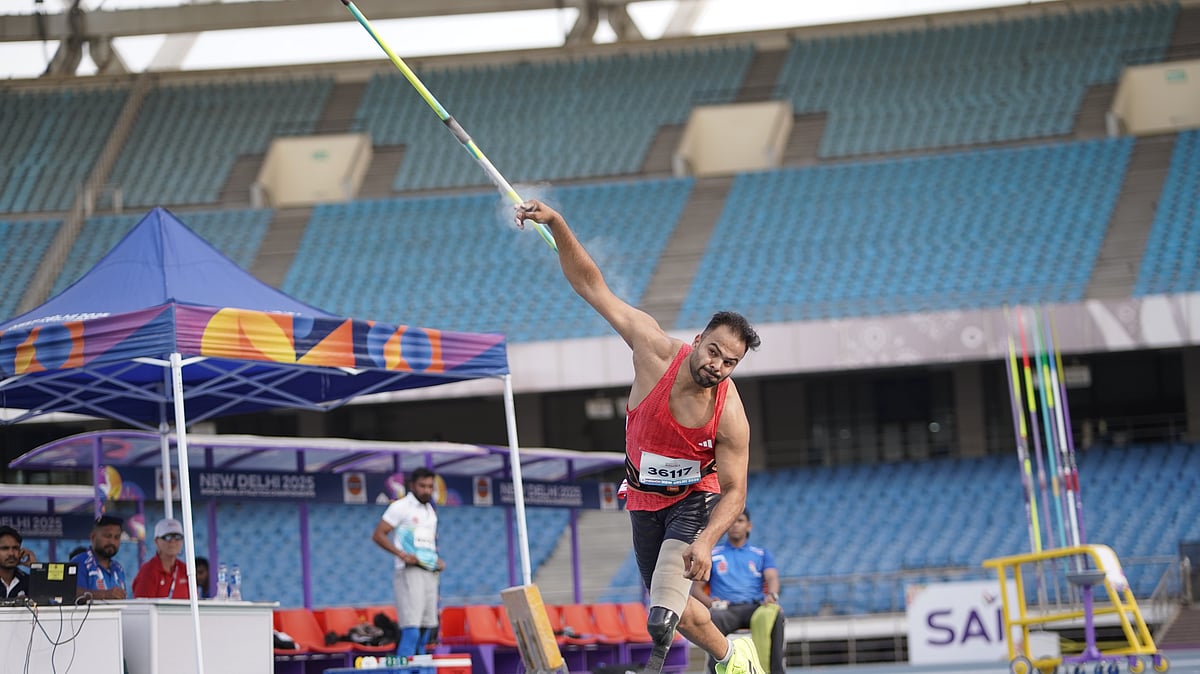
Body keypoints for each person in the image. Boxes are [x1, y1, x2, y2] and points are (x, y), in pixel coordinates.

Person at [516, 200, 763, 674]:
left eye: (730, 362)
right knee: (682, 610)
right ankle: (735, 657)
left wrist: (708, 540)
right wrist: (559, 223)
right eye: (714, 352)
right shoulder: (653, 351)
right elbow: (592, 285)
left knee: (662, 614)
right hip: (642, 501)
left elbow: (736, 490)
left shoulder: (729, 413)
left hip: (692, 500)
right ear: (698, 339)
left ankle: (652, 667)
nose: (717, 366)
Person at [690, 509, 785, 674]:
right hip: (726, 610)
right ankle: (715, 671)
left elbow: (772, 579)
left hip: (754, 608)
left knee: (775, 614)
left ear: (749, 526)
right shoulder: (712, 553)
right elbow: (696, 589)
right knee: (712, 617)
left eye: (740, 521)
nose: (735, 525)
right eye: (732, 521)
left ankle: (775, 671)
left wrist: (772, 595)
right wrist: (710, 602)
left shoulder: (761, 554)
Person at [372, 467, 444, 661]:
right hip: (409, 572)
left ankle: (419, 668)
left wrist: (435, 559)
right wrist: (402, 555)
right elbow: (378, 534)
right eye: (422, 486)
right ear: (412, 485)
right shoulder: (401, 507)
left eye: (430, 486)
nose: (427, 490)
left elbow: (425, 543)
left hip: (429, 571)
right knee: (411, 629)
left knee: (426, 629)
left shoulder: (430, 511)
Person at [71, 515, 128, 600]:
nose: (112, 541)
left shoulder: (118, 568)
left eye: (117, 537)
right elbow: (72, 593)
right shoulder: (79, 563)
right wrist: (104, 594)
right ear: (93, 537)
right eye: (107, 536)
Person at [132, 518, 191, 599]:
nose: (173, 541)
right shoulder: (148, 571)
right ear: (156, 541)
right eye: (167, 537)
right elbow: (142, 607)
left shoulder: (185, 569)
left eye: (177, 537)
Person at [0, 525, 38, 600]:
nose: (11, 553)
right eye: (5, 548)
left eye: (15, 548)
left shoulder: (28, 581)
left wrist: (35, 568)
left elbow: (46, 599)